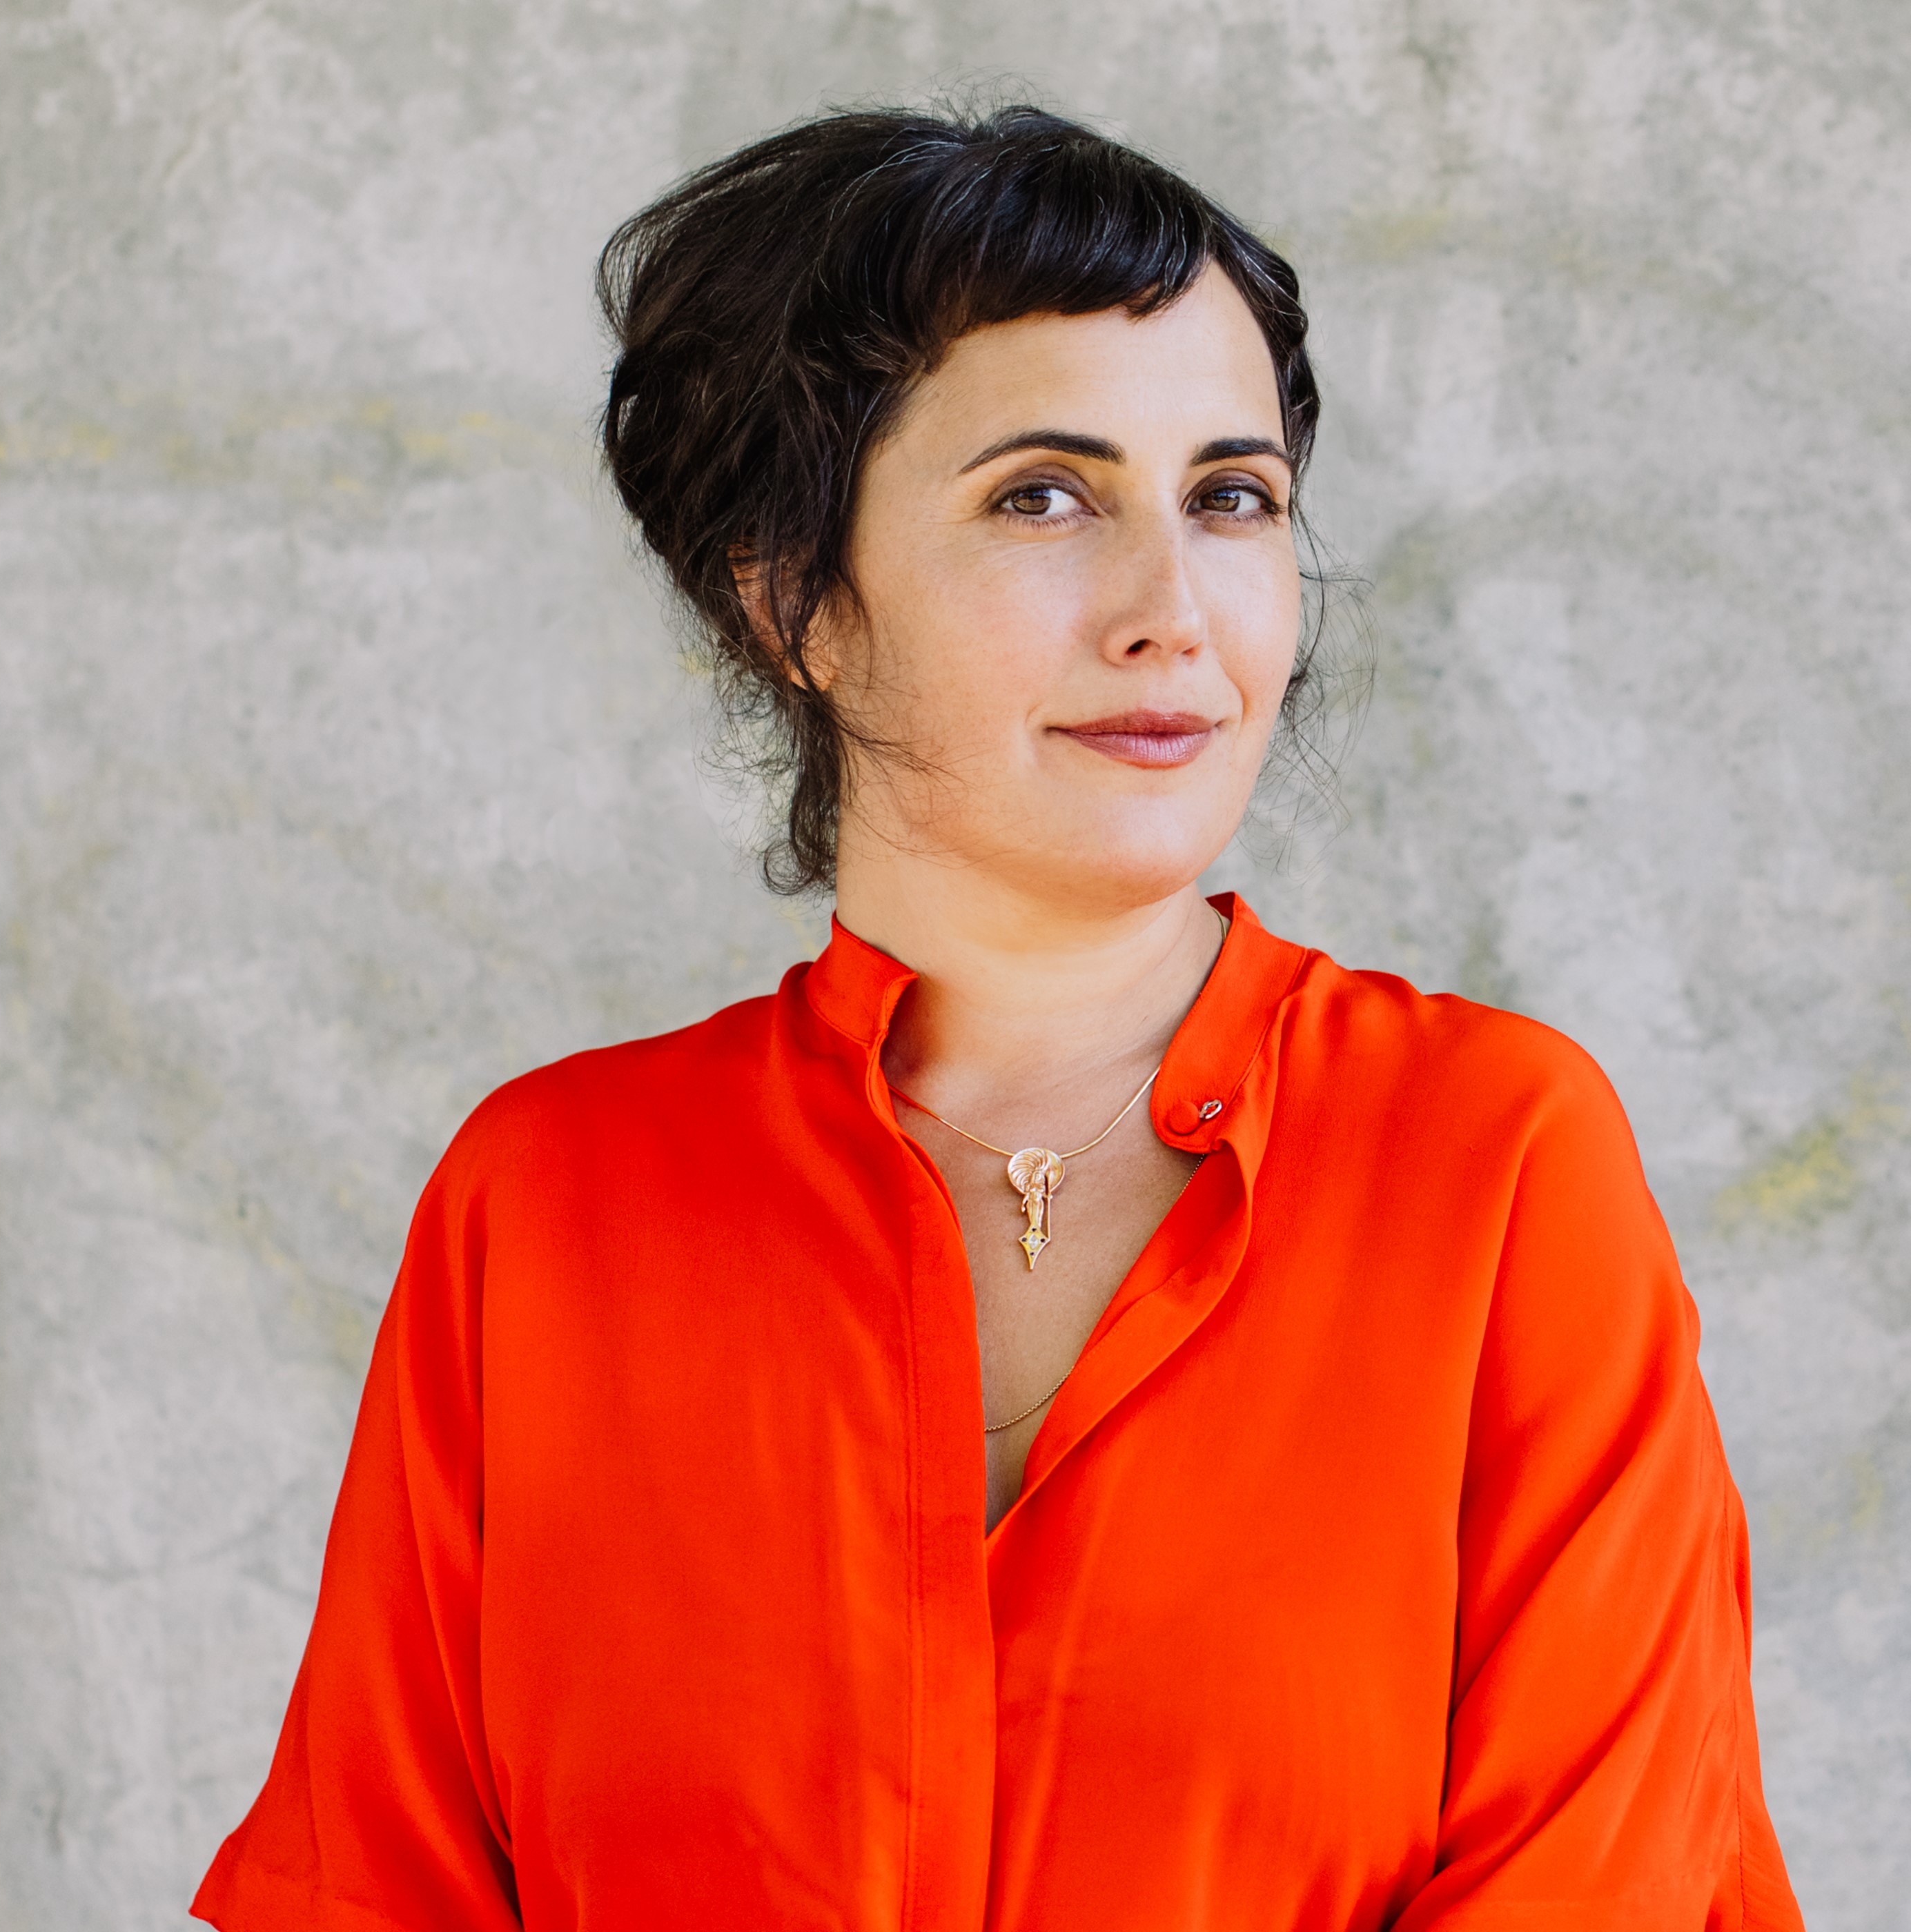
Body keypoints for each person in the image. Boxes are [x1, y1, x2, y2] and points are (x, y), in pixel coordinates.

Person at [193, 103, 1803, 1930]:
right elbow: (368, 1891)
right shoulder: (547, 1206)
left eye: (1232, 497)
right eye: (1044, 495)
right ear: (788, 593)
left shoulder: (1496, 1162)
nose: (1170, 609)